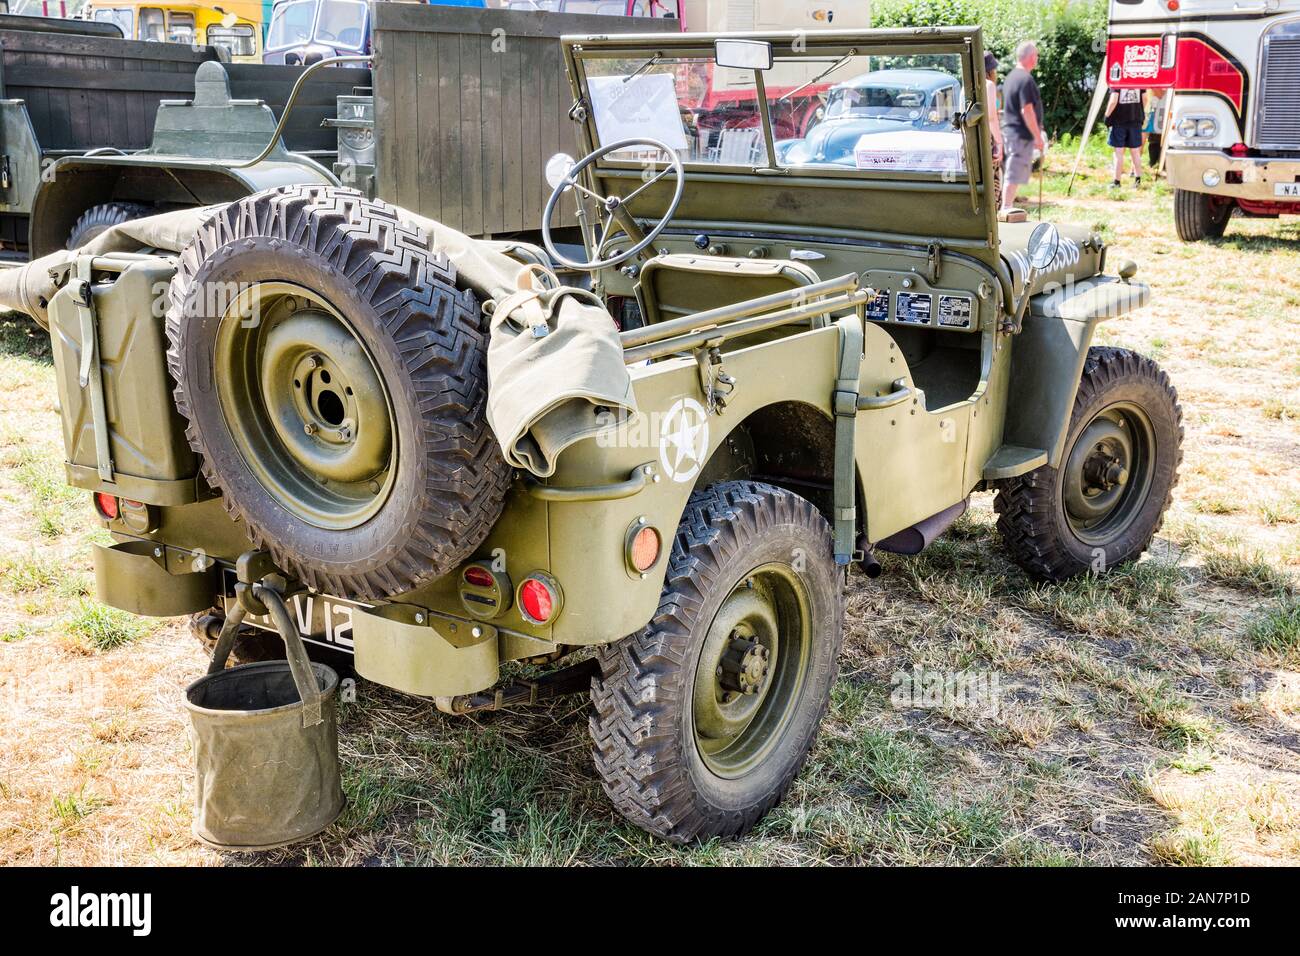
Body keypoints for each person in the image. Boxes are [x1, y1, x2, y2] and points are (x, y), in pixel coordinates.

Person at [1000, 41, 1045, 211]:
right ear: (1031, 57)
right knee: (1014, 173)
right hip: (1020, 134)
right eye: (1036, 56)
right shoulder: (1025, 79)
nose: (1037, 59)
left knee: (1015, 172)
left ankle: (1007, 206)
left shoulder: (1012, 77)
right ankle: (1006, 208)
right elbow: (1027, 110)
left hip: (1012, 132)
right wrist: (1037, 136)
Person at [1105, 85, 1147, 187]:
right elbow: (1145, 99)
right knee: (1135, 151)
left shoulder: (1117, 81)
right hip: (1136, 121)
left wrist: (1107, 115)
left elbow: (1113, 101)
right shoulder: (1138, 80)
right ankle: (1137, 181)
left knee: (1118, 152)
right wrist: (1138, 111)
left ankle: (1117, 182)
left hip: (1119, 121)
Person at [985, 52, 1004, 210]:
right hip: (988, 141)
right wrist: (999, 142)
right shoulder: (989, 85)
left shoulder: (966, 85)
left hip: (971, 143)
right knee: (994, 188)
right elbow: (991, 118)